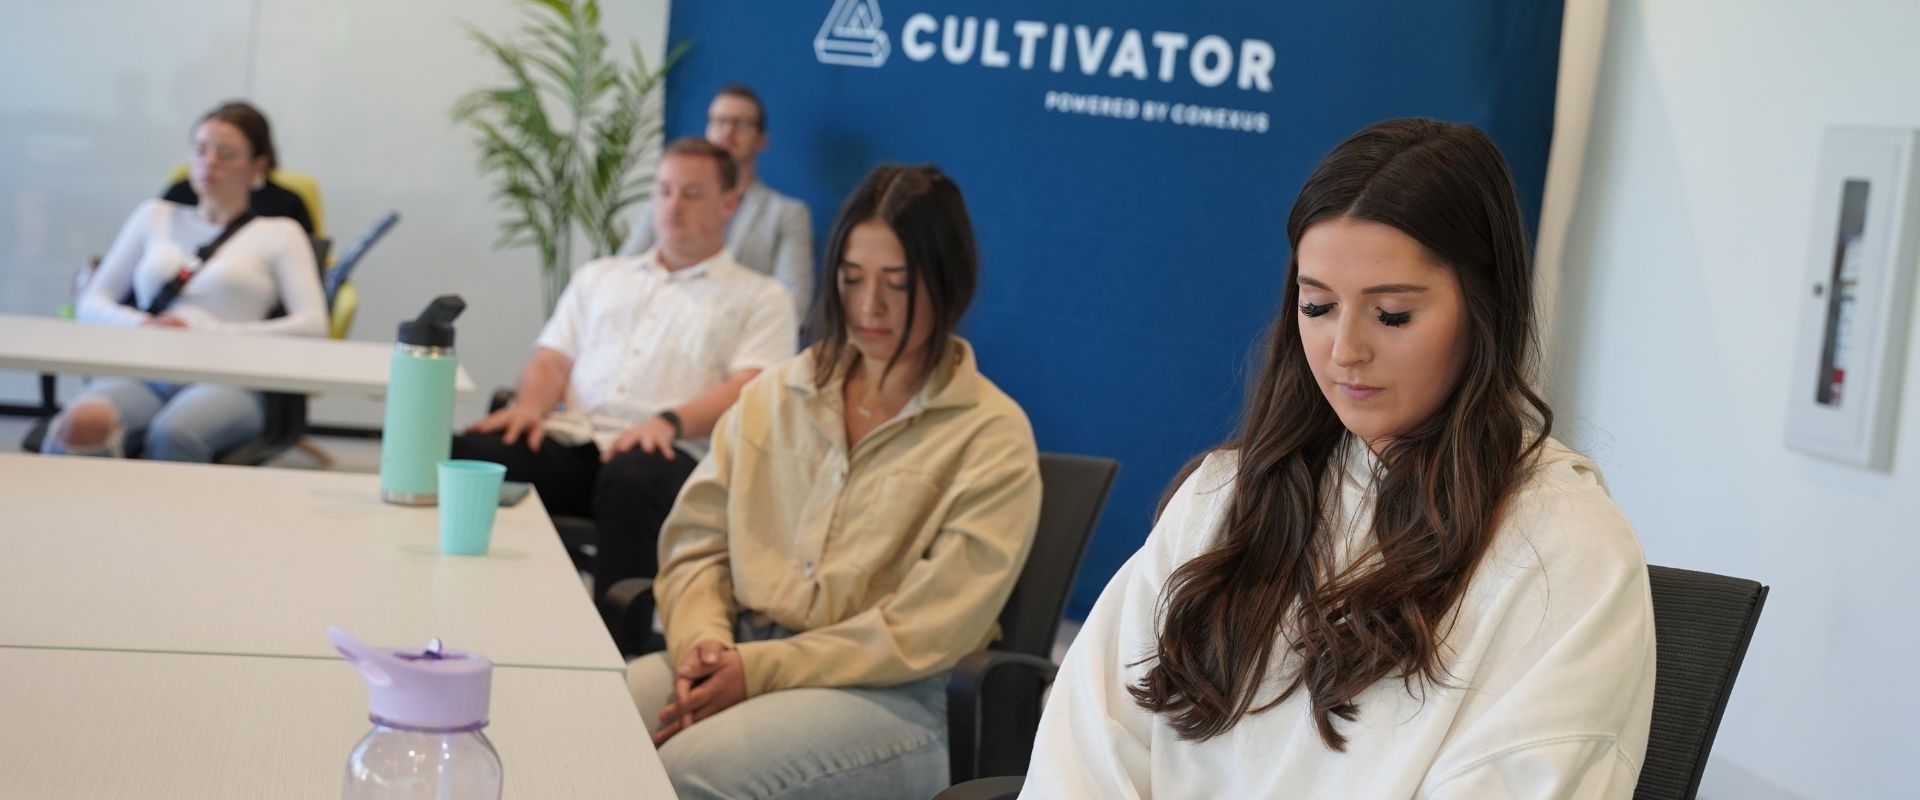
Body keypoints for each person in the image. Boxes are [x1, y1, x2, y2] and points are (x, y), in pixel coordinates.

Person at [1023, 119, 1656, 798]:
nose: (1343, 349)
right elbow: (1087, 744)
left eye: (1390, 316)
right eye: (1318, 305)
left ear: (1486, 308)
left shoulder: (1565, 545)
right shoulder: (1228, 496)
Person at [627, 164, 1043, 799]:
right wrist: (704, 647)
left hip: (892, 697)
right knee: (583, 720)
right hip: (738, 650)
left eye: (897, 285)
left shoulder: (991, 435)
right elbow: (697, 545)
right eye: (851, 280)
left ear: (947, 283)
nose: (869, 307)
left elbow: (926, 629)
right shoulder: (777, 394)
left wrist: (758, 670)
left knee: (687, 773)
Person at [454, 137, 796, 599]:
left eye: (691, 194)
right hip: (578, 439)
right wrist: (531, 407)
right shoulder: (601, 276)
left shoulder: (761, 296)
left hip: (674, 453)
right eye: (664, 190)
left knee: (632, 478)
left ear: (729, 203)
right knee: (476, 453)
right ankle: (475, 602)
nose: (673, 206)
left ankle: (618, 642)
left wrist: (669, 422)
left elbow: (749, 386)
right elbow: (553, 356)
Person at [47, 101, 326, 462]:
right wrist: (142, 323)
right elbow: (92, 301)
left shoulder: (280, 233)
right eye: (200, 150)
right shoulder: (154, 216)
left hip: (230, 376)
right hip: (148, 368)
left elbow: (313, 325)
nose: (209, 162)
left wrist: (209, 332)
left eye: (226, 154)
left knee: (174, 432)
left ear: (259, 165)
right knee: (82, 420)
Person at [620, 83, 813, 319]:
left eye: (741, 124)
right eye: (719, 121)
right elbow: (624, 271)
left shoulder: (787, 213)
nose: (727, 132)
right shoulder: (669, 199)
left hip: (738, 339)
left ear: (761, 139)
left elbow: (794, 301)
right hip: (658, 326)